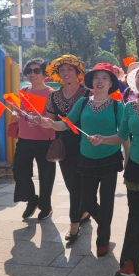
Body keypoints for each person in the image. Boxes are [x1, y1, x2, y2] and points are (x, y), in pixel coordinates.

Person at [89, 61, 139, 276]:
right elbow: (121, 136)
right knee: (134, 215)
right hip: (135, 166)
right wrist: (103, 139)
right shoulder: (129, 107)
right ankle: (129, 264)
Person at [41, 63, 124, 257]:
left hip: (109, 159)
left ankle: (103, 240)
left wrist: (106, 141)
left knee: (107, 201)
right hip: (86, 158)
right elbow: (66, 125)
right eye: (97, 78)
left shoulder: (117, 106)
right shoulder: (83, 102)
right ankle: (104, 223)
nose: (100, 81)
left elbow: (123, 136)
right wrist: (51, 123)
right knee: (86, 201)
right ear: (92, 82)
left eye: (104, 78)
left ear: (111, 83)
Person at [45, 55, 91, 243]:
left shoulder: (89, 93)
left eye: (69, 69)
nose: (65, 73)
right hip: (64, 145)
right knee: (72, 184)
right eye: (61, 70)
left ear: (78, 72)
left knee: (81, 185)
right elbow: (50, 120)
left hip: (86, 144)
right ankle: (84, 211)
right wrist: (39, 121)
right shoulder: (53, 96)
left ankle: (74, 224)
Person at [13, 58, 56, 221]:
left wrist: (39, 119)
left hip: (45, 140)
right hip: (24, 138)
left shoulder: (51, 93)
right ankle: (32, 199)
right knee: (20, 171)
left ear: (44, 73)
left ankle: (46, 206)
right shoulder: (23, 91)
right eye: (29, 71)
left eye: (37, 71)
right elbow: (19, 111)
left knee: (46, 175)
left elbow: (52, 118)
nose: (32, 74)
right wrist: (15, 114)